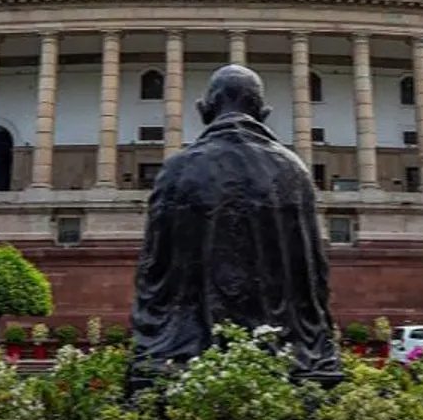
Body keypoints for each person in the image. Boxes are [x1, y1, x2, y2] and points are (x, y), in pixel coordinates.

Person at [128, 64, 341, 388]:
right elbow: (312, 271)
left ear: (206, 108)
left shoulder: (177, 168)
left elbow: (154, 267)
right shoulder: (294, 170)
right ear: (263, 112)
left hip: (185, 352)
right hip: (288, 352)